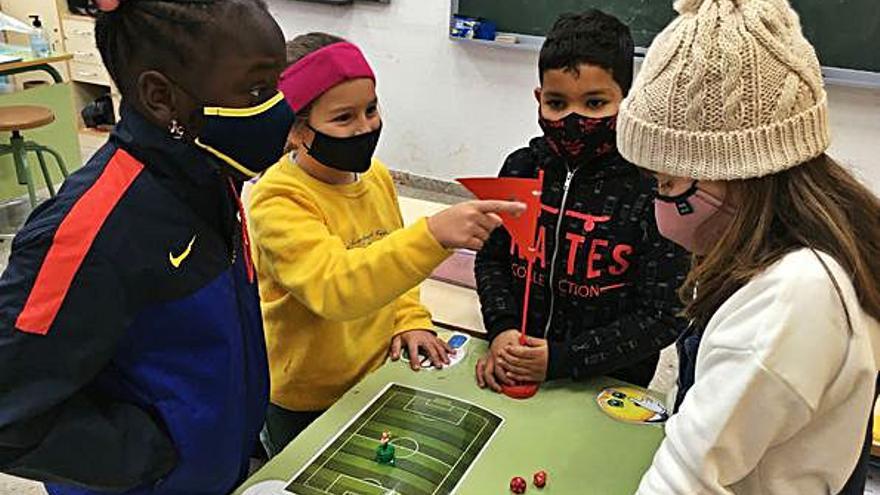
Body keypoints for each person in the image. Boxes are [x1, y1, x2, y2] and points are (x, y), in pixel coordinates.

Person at [0, 0, 293, 493]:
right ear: (162, 97)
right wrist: (148, 456)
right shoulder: (91, 230)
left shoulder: (211, 178)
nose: (279, 109)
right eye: (257, 90)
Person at [616, 0, 880, 492]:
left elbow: (684, 480)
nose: (659, 207)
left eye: (669, 185)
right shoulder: (815, 248)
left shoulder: (793, 298)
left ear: (740, 177)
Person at [248, 33, 524, 456]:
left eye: (371, 109)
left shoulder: (375, 176)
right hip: (305, 396)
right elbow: (335, 288)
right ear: (296, 130)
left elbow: (393, 262)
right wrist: (431, 236)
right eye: (343, 118)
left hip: (375, 372)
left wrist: (409, 317)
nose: (366, 127)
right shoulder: (278, 200)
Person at [474, 10, 689, 392]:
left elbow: (664, 315)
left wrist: (563, 359)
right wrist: (502, 329)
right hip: (515, 365)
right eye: (557, 104)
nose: (574, 119)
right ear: (539, 99)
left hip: (607, 384)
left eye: (594, 104)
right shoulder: (521, 168)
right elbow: (492, 259)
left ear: (627, 100)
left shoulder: (652, 189)